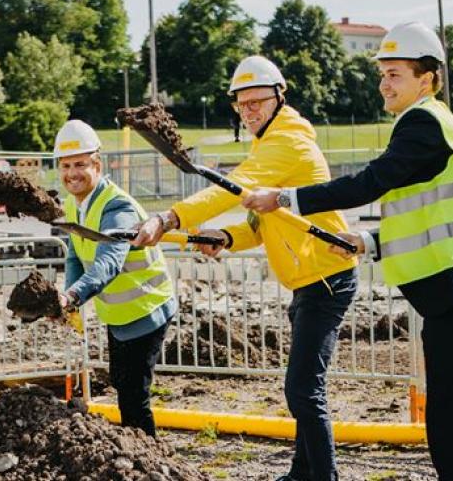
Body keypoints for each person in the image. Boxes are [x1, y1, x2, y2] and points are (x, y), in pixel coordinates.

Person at [242, 22, 453, 481]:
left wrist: (288, 197)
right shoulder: (433, 126)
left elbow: (371, 181)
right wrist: (368, 241)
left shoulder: (423, 123)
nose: (383, 84)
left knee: (449, 425)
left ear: (426, 78)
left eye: (395, 74)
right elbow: (429, 219)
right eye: (382, 74)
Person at [132, 55, 357, 481]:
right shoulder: (268, 143)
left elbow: (234, 188)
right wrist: (226, 238)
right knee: (303, 389)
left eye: (258, 101)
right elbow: (260, 223)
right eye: (242, 104)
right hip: (308, 282)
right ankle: (301, 473)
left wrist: (168, 218)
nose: (250, 110)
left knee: (304, 391)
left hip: (327, 278)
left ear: (279, 98)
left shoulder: (287, 142)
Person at [54, 119, 175, 437]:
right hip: (120, 313)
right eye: (66, 165)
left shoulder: (117, 207)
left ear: (97, 164)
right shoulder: (74, 202)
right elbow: (74, 253)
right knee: (122, 384)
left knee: (134, 397)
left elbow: (108, 263)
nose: (72, 173)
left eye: (80, 164)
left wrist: (72, 296)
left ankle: (150, 463)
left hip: (146, 308)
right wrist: (70, 296)